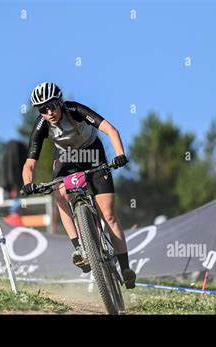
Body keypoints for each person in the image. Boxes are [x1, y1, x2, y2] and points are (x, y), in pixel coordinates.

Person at [21, 82, 136, 289]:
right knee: (60, 193)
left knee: (108, 215)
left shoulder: (75, 110)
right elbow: (30, 163)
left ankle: (125, 266)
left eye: (52, 106)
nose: (49, 112)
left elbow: (110, 129)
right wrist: (28, 184)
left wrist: (120, 154)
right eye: (42, 109)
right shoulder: (42, 124)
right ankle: (80, 249)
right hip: (66, 157)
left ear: (60, 102)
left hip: (92, 153)